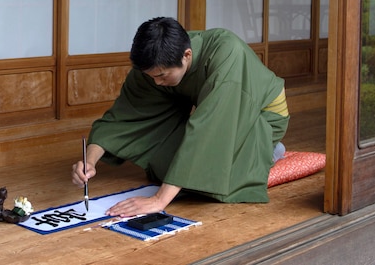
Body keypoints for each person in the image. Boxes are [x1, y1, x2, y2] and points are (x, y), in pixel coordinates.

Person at [71, 17, 289, 217]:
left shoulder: (227, 53)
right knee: (168, 164)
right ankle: (251, 152)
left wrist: (158, 200)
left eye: (161, 76)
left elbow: (209, 129)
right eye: (151, 77)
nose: (155, 82)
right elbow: (124, 116)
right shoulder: (159, 62)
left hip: (259, 115)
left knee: (217, 180)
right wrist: (89, 161)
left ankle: (266, 149)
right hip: (213, 117)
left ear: (187, 55)